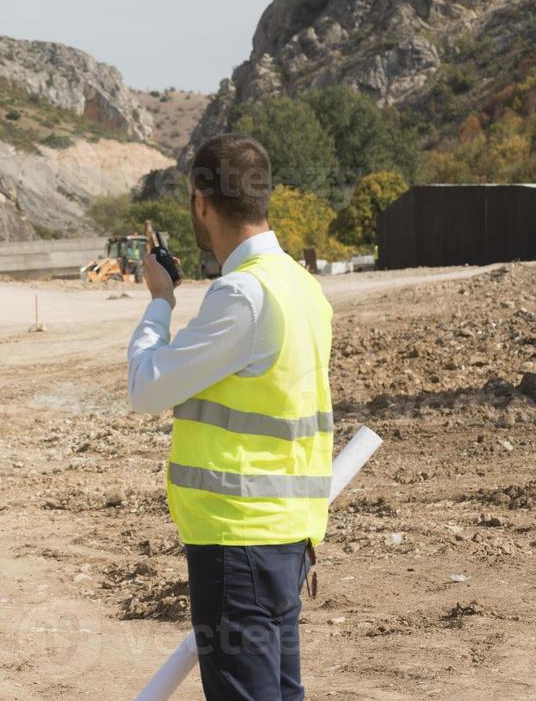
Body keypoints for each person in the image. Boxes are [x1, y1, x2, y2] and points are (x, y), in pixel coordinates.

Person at [126, 134, 334, 701]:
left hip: (237, 542)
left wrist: (160, 301)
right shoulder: (303, 287)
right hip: (288, 537)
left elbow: (146, 387)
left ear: (201, 201)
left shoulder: (243, 294)